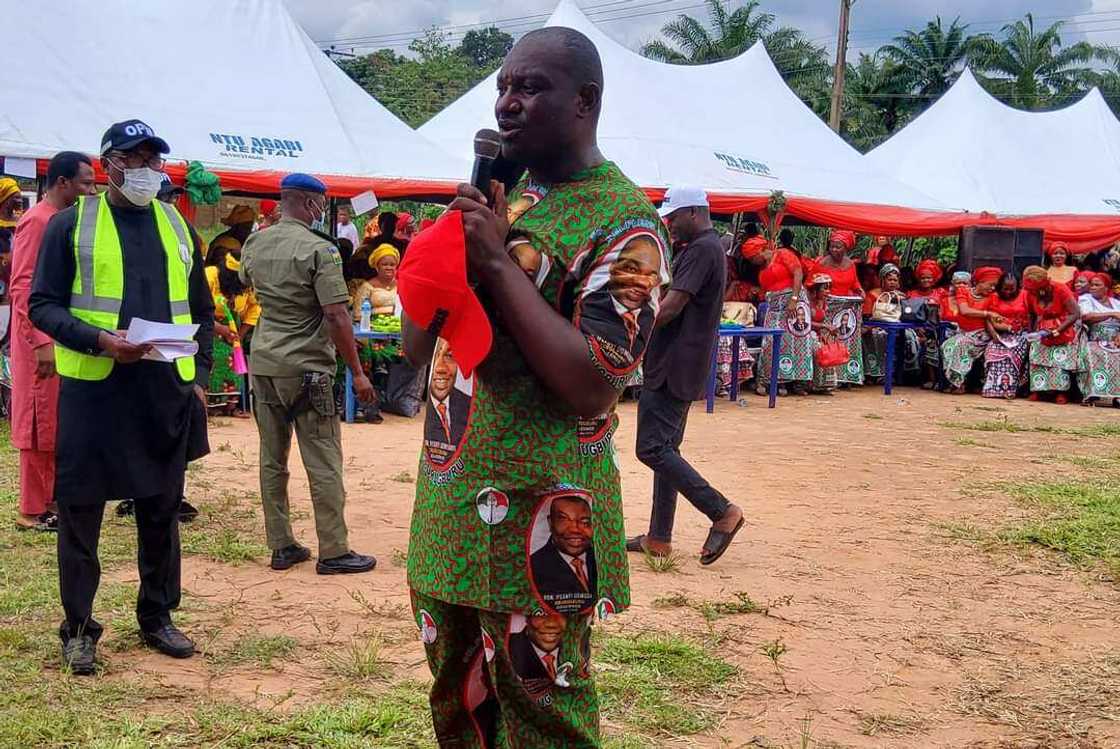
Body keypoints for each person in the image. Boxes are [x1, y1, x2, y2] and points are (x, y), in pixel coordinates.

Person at [402, 27, 670, 746]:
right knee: (458, 704)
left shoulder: (627, 224)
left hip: (542, 523)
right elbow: (419, 346)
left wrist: (497, 264)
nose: (507, 103)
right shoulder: (502, 199)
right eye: (503, 87)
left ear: (585, 100)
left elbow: (593, 384)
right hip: (452, 511)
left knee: (544, 715)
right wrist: (445, 256)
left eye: (530, 87)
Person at [29, 119, 213, 674]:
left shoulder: (177, 226)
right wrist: (100, 341)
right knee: (81, 511)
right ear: (108, 164)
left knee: (161, 508)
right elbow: (42, 305)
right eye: (134, 159)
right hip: (95, 391)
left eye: (153, 159)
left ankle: (157, 616)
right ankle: (79, 628)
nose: (146, 169)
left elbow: (201, 309)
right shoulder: (71, 225)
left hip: (163, 389)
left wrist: (200, 377)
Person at [239, 173, 377, 575]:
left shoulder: (255, 243)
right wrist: (357, 371)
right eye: (320, 203)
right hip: (307, 367)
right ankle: (333, 549)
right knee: (323, 459)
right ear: (309, 203)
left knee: (272, 458)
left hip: (264, 363)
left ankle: (281, 545)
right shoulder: (321, 249)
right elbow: (336, 314)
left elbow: (248, 284)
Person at [626, 185, 743, 565]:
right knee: (665, 449)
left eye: (674, 217)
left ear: (694, 212)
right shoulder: (704, 248)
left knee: (651, 449)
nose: (670, 224)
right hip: (682, 362)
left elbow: (672, 306)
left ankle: (721, 511)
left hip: (673, 364)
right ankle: (659, 537)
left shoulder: (701, 250)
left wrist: (631, 328)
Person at [9, 153, 96, 532]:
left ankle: (51, 499)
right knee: (37, 423)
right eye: (85, 183)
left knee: (56, 423)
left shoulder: (62, 221)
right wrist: (41, 342)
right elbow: (23, 286)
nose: (91, 190)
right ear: (62, 182)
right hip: (38, 342)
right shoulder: (38, 220)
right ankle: (31, 509)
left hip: (58, 338)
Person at [743, 231, 811, 395]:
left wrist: (794, 299)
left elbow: (798, 273)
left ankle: (797, 382)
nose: (753, 262)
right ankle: (772, 380)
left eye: (752, 258)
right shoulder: (762, 269)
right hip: (774, 307)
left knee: (797, 341)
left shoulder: (782, 254)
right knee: (772, 342)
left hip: (794, 303)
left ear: (760, 251)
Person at [1022, 265, 1081, 404]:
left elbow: (1075, 313)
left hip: (1063, 328)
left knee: (1059, 357)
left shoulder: (1060, 289)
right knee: (1036, 353)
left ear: (1042, 287)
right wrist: (1031, 334)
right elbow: (1031, 315)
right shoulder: (1030, 293)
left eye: (1032, 289)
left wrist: (1057, 331)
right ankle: (1038, 390)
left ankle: (1061, 392)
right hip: (1042, 330)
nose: (1029, 292)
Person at [530, 493, 597, 615]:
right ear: (550, 523)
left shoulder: (600, 561)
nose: (575, 529)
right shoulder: (534, 565)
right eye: (564, 520)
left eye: (584, 522)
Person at [940, 267, 1003, 394]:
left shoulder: (993, 297)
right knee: (947, 346)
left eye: (994, 286)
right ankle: (953, 381)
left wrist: (994, 335)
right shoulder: (963, 291)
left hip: (981, 334)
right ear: (980, 282)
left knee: (962, 345)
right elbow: (964, 310)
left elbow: (989, 321)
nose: (992, 288)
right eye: (990, 285)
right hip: (963, 332)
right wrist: (987, 313)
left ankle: (960, 384)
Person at [862, 264, 920, 384]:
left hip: (898, 326)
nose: (892, 282)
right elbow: (867, 316)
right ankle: (875, 374)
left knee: (910, 336)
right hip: (876, 326)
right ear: (882, 279)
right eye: (890, 279)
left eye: (895, 280)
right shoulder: (872, 294)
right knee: (877, 335)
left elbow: (907, 315)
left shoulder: (902, 296)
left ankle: (902, 374)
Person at [982, 272, 1030, 399]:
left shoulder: (1025, 295)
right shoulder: (993, 297)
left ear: (1017, 287)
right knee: (992, 349)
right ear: (1000, 287)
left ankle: (1010, 389)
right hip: (1000, 333)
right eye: (1005, 289)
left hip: (1021, 333)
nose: (1008, 292)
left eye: (1011, 289)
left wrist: (1030, 334)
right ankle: (993, 388)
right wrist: (994, 335)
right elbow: (988, 319)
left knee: (1011, 352)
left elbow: (1033, 315)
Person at [1076, 272, 1120, 407]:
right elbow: (1086, 317)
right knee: (1094, 352)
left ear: (1106, 288)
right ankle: (1092, 393)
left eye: (1097, 285)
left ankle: (1117, 396)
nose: (1092, 287)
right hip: (1094, 339)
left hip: (1115, 339)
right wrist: (1112, 314)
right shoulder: (1085, 299)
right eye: (1091, 284)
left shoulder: (1116, 303)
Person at [908, 259, 947, 389]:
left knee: (933, 342)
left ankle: (938, 379)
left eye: (929, 278)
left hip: (938, 330)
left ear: (934, 278)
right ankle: (927, 378)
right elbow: (908, 314)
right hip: (916, 330)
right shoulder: (911, 294)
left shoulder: (941, 293)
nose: (926, 280)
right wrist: (917, 328)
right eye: (923, 278)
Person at [806, 273, 840, 393]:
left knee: (829, 349)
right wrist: (825, 326)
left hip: (819, 334)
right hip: (807, 334)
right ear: (816, 290)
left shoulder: (824, 303)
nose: (827, 291)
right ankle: (813, 384)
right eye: (824, 289)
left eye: (829, 288)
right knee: (818, 349)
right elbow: (806, 322)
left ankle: (825, 385)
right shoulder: (807, 303)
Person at [0, 177, 23, 303]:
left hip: (15, 277)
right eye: (16, 198)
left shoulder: (22, 220)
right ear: (5, 200)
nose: (20, 201)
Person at [366, 243, 400, 314]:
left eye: (392, 265)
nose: (389, 268)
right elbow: (359, 312)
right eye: (384, 264)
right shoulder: (368, 286)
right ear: (377, 266)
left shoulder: (401, 284)